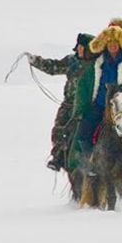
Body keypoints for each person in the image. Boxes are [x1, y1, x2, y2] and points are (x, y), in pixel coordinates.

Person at [73, 26, 122, 173]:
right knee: (84, 131)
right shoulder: (98, 64)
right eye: (109, 43)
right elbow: (85, 84)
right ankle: (89, 162)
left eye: (115, 43)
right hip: (101, 104)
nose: (113, 46)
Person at [27, 33, 94, 171]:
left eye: (84, 47)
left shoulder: (95, 65)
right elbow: (53, 67)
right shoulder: (71, 62)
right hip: (68, 104)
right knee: (60, 129)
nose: (81, 50)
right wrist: (36, 61)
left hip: (87, 106)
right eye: (79, 47)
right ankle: (58, 157)